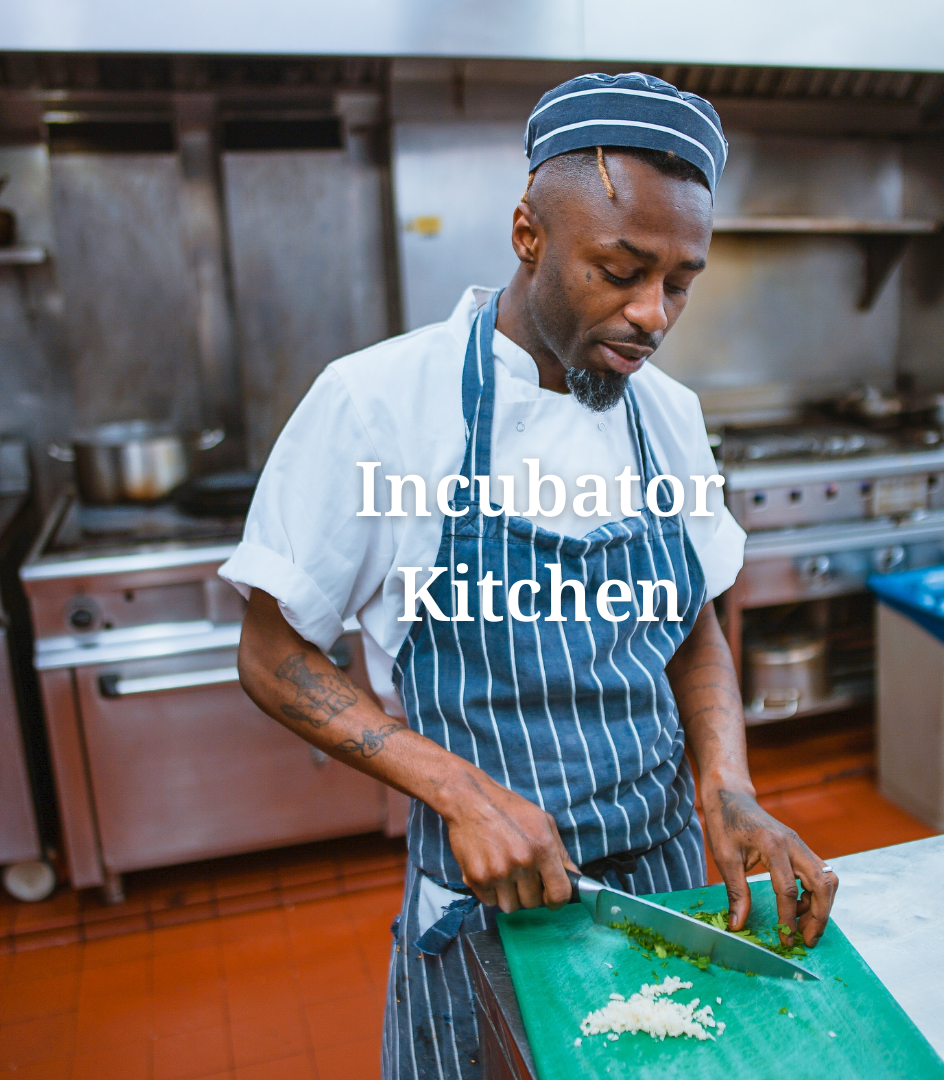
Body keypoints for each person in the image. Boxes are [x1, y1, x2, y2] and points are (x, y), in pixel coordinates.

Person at [223, 71, 838, 1080]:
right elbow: (272, 653)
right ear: (528, 234)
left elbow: (689, 626)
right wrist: (459, 792)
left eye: (680, 282)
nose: (651, 314)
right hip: (488, 908)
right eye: (620, 270)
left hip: (672, 893)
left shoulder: (668, 416)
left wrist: (727, 784)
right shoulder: (379, 404)